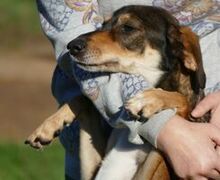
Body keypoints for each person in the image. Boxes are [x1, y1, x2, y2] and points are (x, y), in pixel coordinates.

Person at [36, 0, 220, 179]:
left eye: (128, 29)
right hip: (106, 128)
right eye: (104, 26)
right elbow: (72, 33)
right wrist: (165, 128)